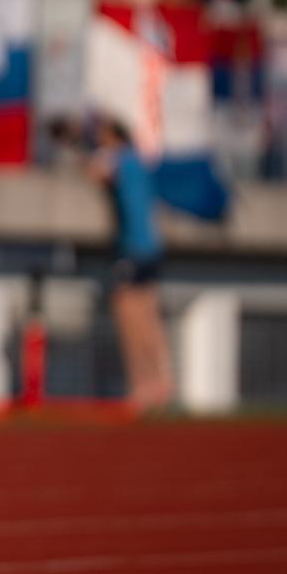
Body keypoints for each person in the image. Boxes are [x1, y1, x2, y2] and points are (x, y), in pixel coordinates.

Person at [91, 121, 173, 412]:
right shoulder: (139, 160)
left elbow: (97, 172)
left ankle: (144, 384)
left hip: (135, 247)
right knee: (148, 314)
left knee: (130, 313)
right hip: (151, 245)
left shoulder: (121, 158)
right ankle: (161, 380)